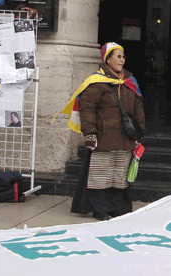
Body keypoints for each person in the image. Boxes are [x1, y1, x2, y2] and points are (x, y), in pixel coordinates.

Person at [67, 42, 146, 221]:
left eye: (123, 56)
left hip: (126, 138)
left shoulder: (130, 82)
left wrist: (140, 131)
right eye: (118, 56)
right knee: (101, 174)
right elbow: (87, 109)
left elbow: (138, 107)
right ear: (107, 59)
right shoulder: (95, 82)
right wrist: (90, 134)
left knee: (120, 175)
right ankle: (100, 209)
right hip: (103, 137)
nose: (122, 59)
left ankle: (118, 208)